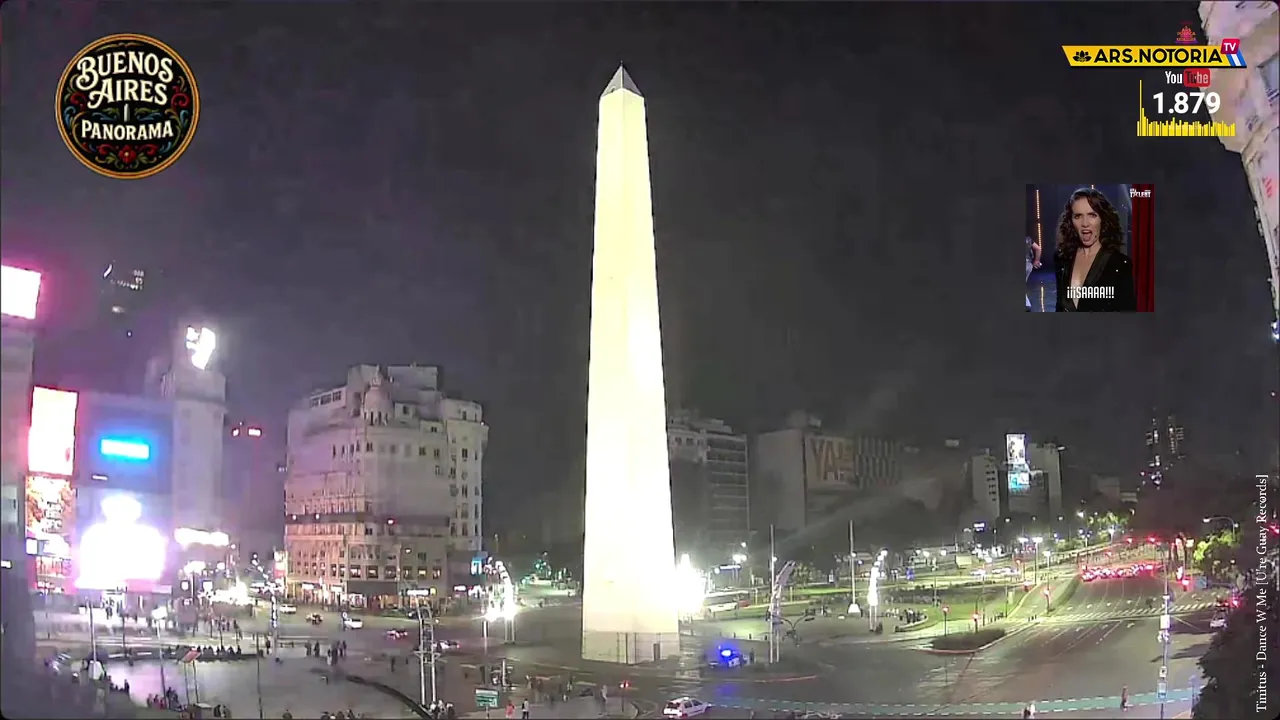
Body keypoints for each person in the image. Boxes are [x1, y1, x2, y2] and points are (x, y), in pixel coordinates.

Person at [1053, 187, 1136, 312]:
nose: (1085, 223)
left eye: (1092, 215)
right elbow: (1060, 306)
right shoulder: (1062, 258)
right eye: (1078, 216)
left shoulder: (1119, 264)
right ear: (1070, 221)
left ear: (1103, 219)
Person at [1026, 235, 1042, 310]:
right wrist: (1036, 261)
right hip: (1028, 265)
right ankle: (1026, 305)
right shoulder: (1027, 239)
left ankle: (1026, 305)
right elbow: (1038, 248)